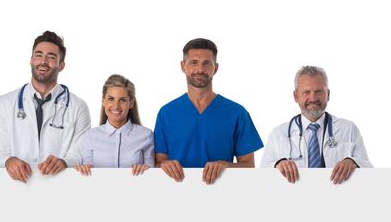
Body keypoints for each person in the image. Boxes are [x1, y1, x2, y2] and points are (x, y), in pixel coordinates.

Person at [154, 38, 263, 184]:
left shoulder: (237, 113)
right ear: (182, 66)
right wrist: (164, 165)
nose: (200, 69)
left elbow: (249, 165)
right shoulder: (166, 113)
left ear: (216, 68)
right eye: (193, 62)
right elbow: (158, 161)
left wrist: (226, 165)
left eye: (207, 63)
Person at [0, 30, 91, 182]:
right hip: (16, 187)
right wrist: (8, 161)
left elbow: (80, 153)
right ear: (31, 60)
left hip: (59, 185)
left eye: (51, 57)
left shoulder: (78, 107)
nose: (43, 61)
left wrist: (64, 162)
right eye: (39, 55)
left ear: (61, 66)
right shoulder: (4, 103)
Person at [260, 66, 372, 184]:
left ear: (328, 94)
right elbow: (260, 176)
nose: (313, 98)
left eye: (318, 91)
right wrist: (277, 165)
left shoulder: (348, 129)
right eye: (306, 92)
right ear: (296, 96)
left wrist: (353, 162)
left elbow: (369, 172)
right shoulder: (278, 134)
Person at [74, 74, 154, 176]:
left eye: (123, 100)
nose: (116, 106)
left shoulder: (146, 135)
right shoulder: (89, 136)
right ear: (103, 101)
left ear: (131, 103)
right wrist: (81, 170)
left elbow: (152, 176)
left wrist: (146, 170)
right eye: (111, 99)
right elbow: (87, 175)